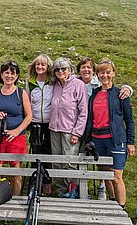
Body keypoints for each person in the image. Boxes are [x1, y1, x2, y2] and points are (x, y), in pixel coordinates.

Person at [76, 56, 133, 200]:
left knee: (116, 176)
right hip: (97, 140)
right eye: (101, 73)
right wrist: (88, 139)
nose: (105, 75)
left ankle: (122, 207)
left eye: (108, 72)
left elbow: (129, 119)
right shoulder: (94, 94)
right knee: (105, 175)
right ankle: (112, 202)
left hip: (115, 139)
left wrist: (130, 142)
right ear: (97, 75)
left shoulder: (121, 94)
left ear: (113, 73)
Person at [0, 60, 32, 196]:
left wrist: (17, 131)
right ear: (1, 75)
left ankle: (15, 199)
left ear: (16, 76)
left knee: (16, 171)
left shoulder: (21, 93)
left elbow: (29, 116)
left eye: (12, 73)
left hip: (16, 137)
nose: (9, 76)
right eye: (6, 73)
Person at [49, 57, 88, 198]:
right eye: (57, 69)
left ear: (70, 70)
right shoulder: (55, 85)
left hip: (70, 131)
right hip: (54, 129)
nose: (60, 71)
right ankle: (60, 192)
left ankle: (72, 192)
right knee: (57, 162)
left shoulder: (78, 84)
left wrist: (77, 132)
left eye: (63, 68)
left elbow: (83, 111)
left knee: (69, 162)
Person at [25, 54, 53, 194]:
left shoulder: (53, 81)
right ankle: (35, 181)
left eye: (43, 65)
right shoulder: (30, 82)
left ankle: (47, 183)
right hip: (35, 122)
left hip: (50, 123)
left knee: (48, 152)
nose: (40, 67)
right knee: (35, 152)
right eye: (37, 65)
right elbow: (28, 102)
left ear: (48, 67)